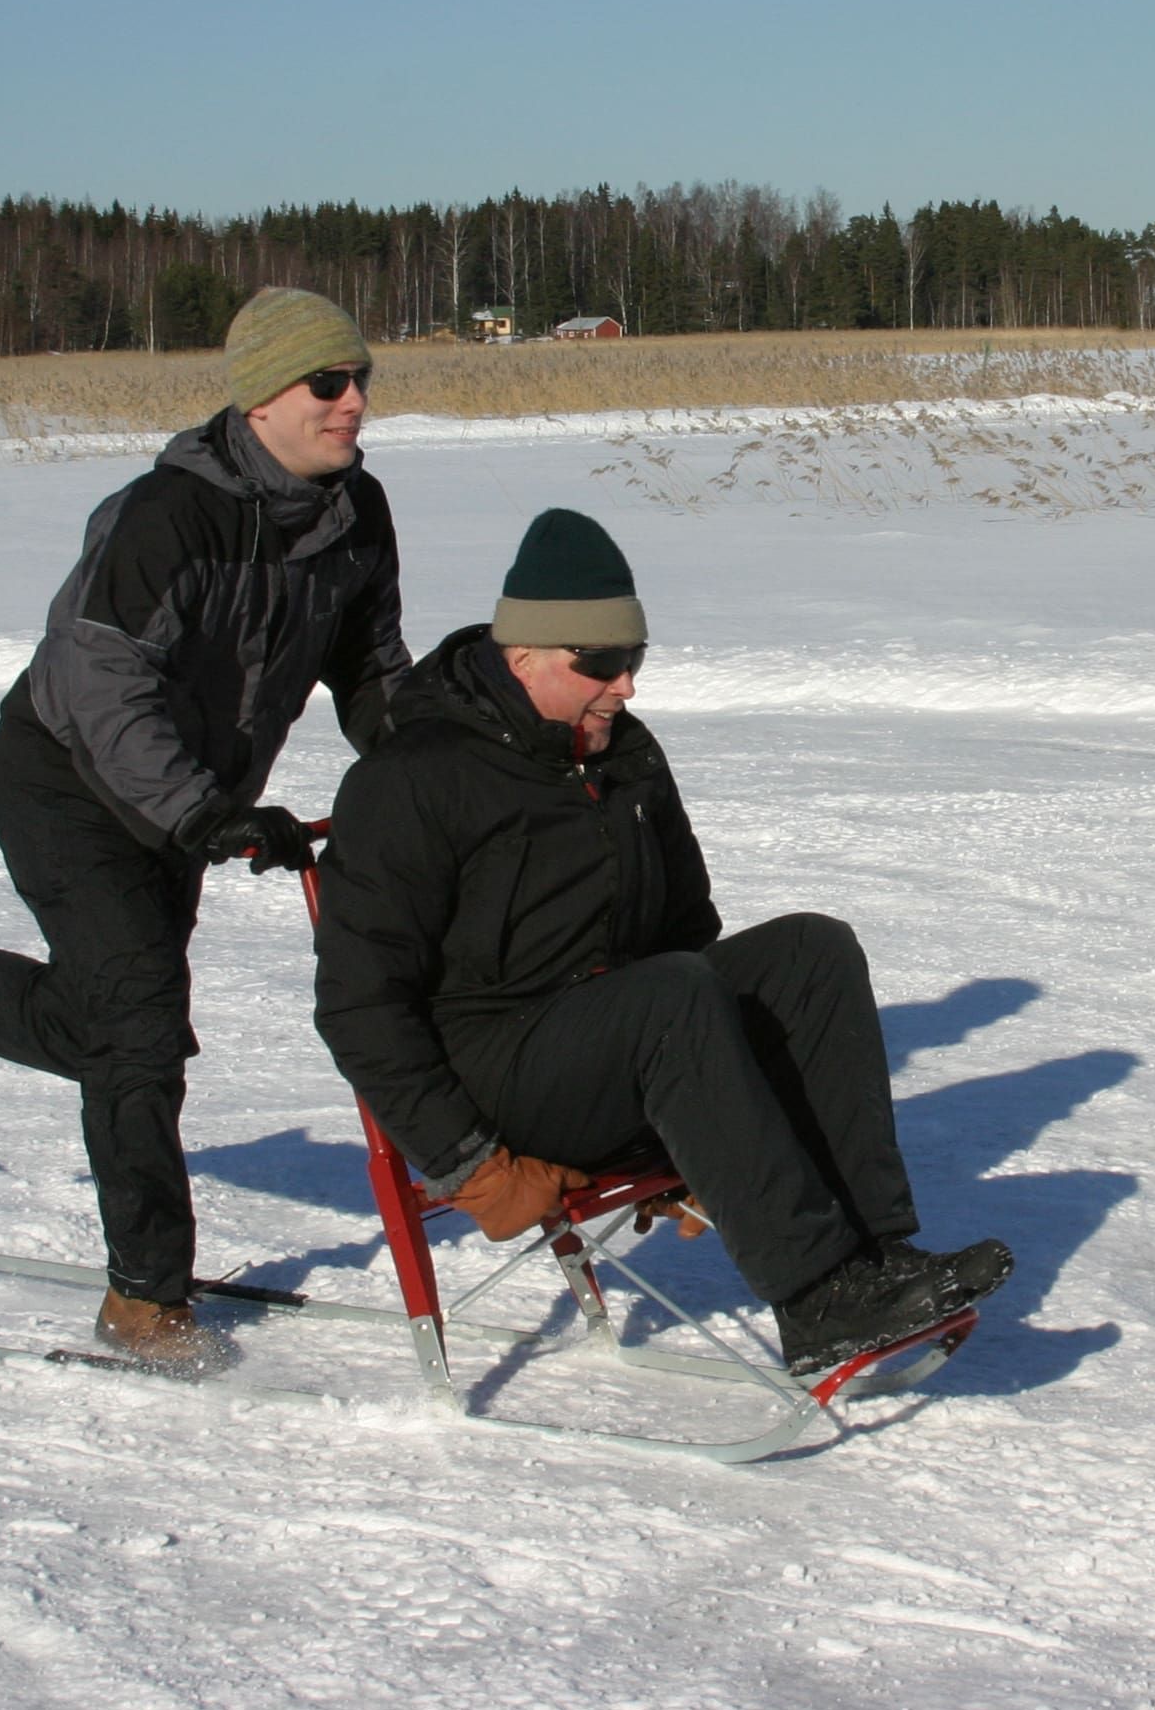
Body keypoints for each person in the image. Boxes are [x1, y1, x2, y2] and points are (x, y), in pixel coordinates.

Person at [0, 286, 412, 1372]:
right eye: (328, 382)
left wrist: (421, 763)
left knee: (112, 1024)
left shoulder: (356, 512)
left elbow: (370, 664)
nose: (354, 403)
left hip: (180, 803)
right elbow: (102, 681)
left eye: (362, 381)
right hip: (68, 781)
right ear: (262, 398)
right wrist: (204, 812)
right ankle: (143, 1297)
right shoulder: (168, 514)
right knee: (138, 1034)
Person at [312, 508, 1010, 1377]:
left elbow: (687, 929)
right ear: (521, 654)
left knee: (810, 952)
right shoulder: (411, 779)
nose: (626, 687)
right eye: (599, 664)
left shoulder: (625, 754)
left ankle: (874, 1256)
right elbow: (358, 1004)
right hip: (496, 1070)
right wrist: (470, 1165)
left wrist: (717, 1105)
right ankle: (817, 1292)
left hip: (623, 1030)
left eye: (634, 661)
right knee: (672, 997)